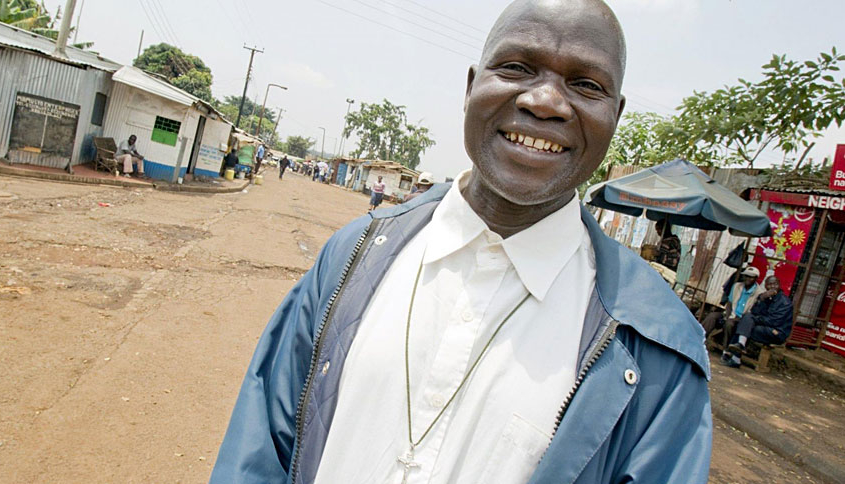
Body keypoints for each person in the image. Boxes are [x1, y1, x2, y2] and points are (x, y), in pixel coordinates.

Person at [211, 1, 711, 483]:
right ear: (472, 86)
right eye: (517, 67)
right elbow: (256, 455)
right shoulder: (351, 258)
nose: (545, 102)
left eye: (585, 84)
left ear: (615, 115)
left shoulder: (656, 348)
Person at [722, 275, 793, 368]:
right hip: (765, 326)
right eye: (769, 284)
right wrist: (761, 300)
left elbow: (774, 321)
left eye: (775, 284)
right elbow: (755, 312)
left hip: (777, 332)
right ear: (766, 286)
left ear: (779, 285)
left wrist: (755, 319)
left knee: (747, 326)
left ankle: (735, 355)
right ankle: (739, 348)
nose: (772, 287)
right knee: (745, 321)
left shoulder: (784, 302)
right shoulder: (766, 297)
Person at [701, 266, 761, 336]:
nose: (747, 279)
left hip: (742, 319)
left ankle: (725, 345)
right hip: (731, 314)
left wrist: (734, 319)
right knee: (712, 316)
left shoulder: (759, 292)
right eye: (746, 276)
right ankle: (699, 336)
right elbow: (730, 303)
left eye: (751, 277)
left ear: (756, 278)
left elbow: (753, 312)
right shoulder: (737, 286)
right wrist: (728, 316)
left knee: (729, 324)